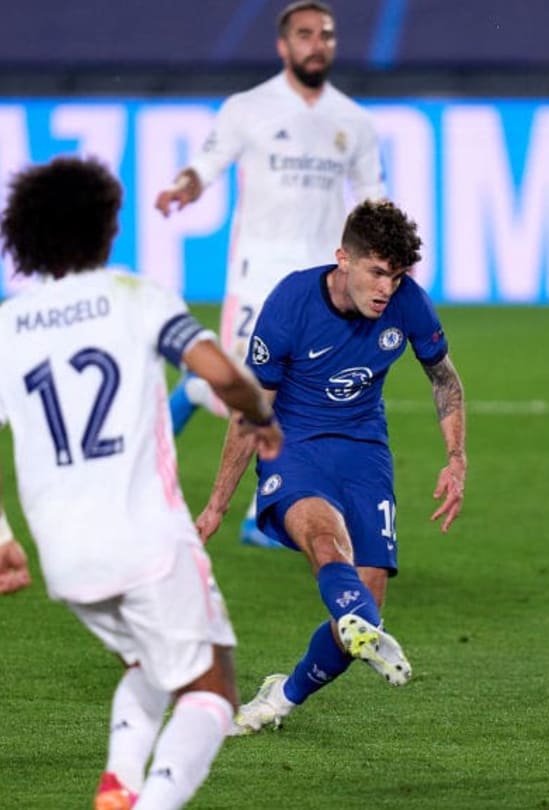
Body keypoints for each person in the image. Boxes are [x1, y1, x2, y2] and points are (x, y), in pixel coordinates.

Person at [0, 156, 283, 810]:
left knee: (150, 665)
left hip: (64, 557)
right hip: (148, 541)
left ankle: (120, 782)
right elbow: (218, 370)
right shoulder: (136, 295)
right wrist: (259, 414)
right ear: (107, 228)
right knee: (212, 687)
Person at [193, 200, 467, 734]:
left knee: (362, 615)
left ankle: (283, 696)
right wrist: (217, 504)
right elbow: (253, 410)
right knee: (323, 538)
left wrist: (456, 459)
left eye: (398, 275)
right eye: (377, 272)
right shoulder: (291, 303)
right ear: (344, 258)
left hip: (366, 452)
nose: (387, 288)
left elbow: (444, 379)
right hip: (293, 446)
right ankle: (353, 621)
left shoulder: (409, 304)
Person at [155, 0, 386, 548]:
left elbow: (372, 195)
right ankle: (194, 391)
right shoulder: (248, 108)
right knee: (247, 392)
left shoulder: (353, 120)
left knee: (298, 395)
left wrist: (390, 245)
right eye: (305, 34)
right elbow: (206, 164)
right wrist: (184, 187)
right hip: (258, 278)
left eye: (325, 34)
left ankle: (262, 512)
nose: (317, 43)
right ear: (284, 46)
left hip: (324, 282)